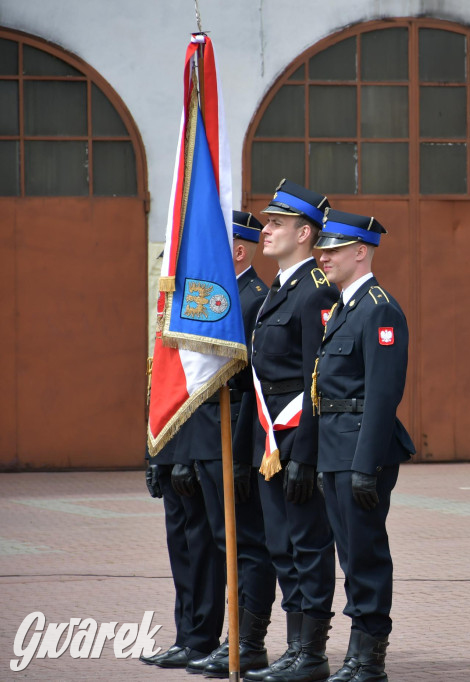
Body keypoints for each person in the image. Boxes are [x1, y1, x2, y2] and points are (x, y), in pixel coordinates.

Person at [312, 208, 415, 682]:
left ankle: (369, 657)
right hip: (336, 447)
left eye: (333, 250)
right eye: (322, 249)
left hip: (360, 451)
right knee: (350, 557)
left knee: (365, 553)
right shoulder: (344, 307)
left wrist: (365, 464)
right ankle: (357, 654)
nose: (323, 257)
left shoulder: (379, 308)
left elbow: (382, 393)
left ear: (360, 251)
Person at [245, 180, 338, 682]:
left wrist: (305, 452)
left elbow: (316, 379)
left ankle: (312, 653)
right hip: (270, 438)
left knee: (308, 544)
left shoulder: (314, 291)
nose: (266, 230)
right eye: (267, 222)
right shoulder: (278, 290)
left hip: (297, 436)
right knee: (282, 545)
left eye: (277, 223)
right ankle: (293, 649)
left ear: (305, 234)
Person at [185, 211, 278, 678]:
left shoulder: (255, 299)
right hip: (207, 435)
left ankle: (247, 643)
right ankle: (228, 639)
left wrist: (242, 452)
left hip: (235, 436)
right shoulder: (218, 299)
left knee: (246, 544)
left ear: (239, 251)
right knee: (223, 542)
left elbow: (252, 385)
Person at [141, 430, 217, 668]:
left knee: (200, 548)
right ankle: (184, 637)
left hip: (192, 449)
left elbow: (193, 407)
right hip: (167, 449)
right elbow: (158, 409)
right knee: (180, 550)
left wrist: (185, 458)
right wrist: (154, 456)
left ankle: (201, 639)